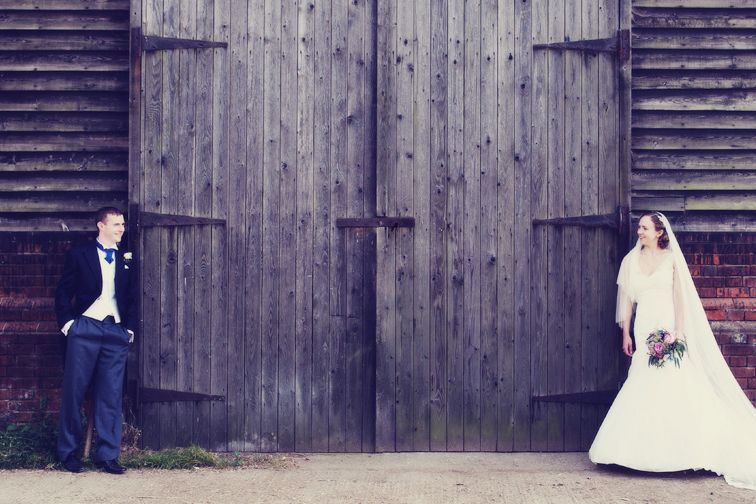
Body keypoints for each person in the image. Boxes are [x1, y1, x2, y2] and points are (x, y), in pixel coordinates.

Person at [589, 212, 756, 490]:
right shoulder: (630, 261)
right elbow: (628, 301)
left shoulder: (671, 260)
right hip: (644, 327)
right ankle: (634, 451)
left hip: (667, 325)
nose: (639, 232)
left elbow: (679, 298)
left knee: (672, 380)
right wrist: (626, 332)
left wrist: (678, 330)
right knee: (642, 378)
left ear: (659, 232)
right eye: (639, 227)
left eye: (644, 228)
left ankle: (683, 450)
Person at [55, 207, 137, 474]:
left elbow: (132, 296)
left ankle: (107, 456)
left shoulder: (127, 258)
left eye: (122, 224)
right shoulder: (80, 254)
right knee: (74, 392)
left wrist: (129, 330)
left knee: (111, 395)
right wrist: (69, 325)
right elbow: (63, 292)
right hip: (85, 328)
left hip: (115, 331)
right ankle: (68, 453)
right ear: (101, 226)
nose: (121, 228)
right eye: (116, 224)